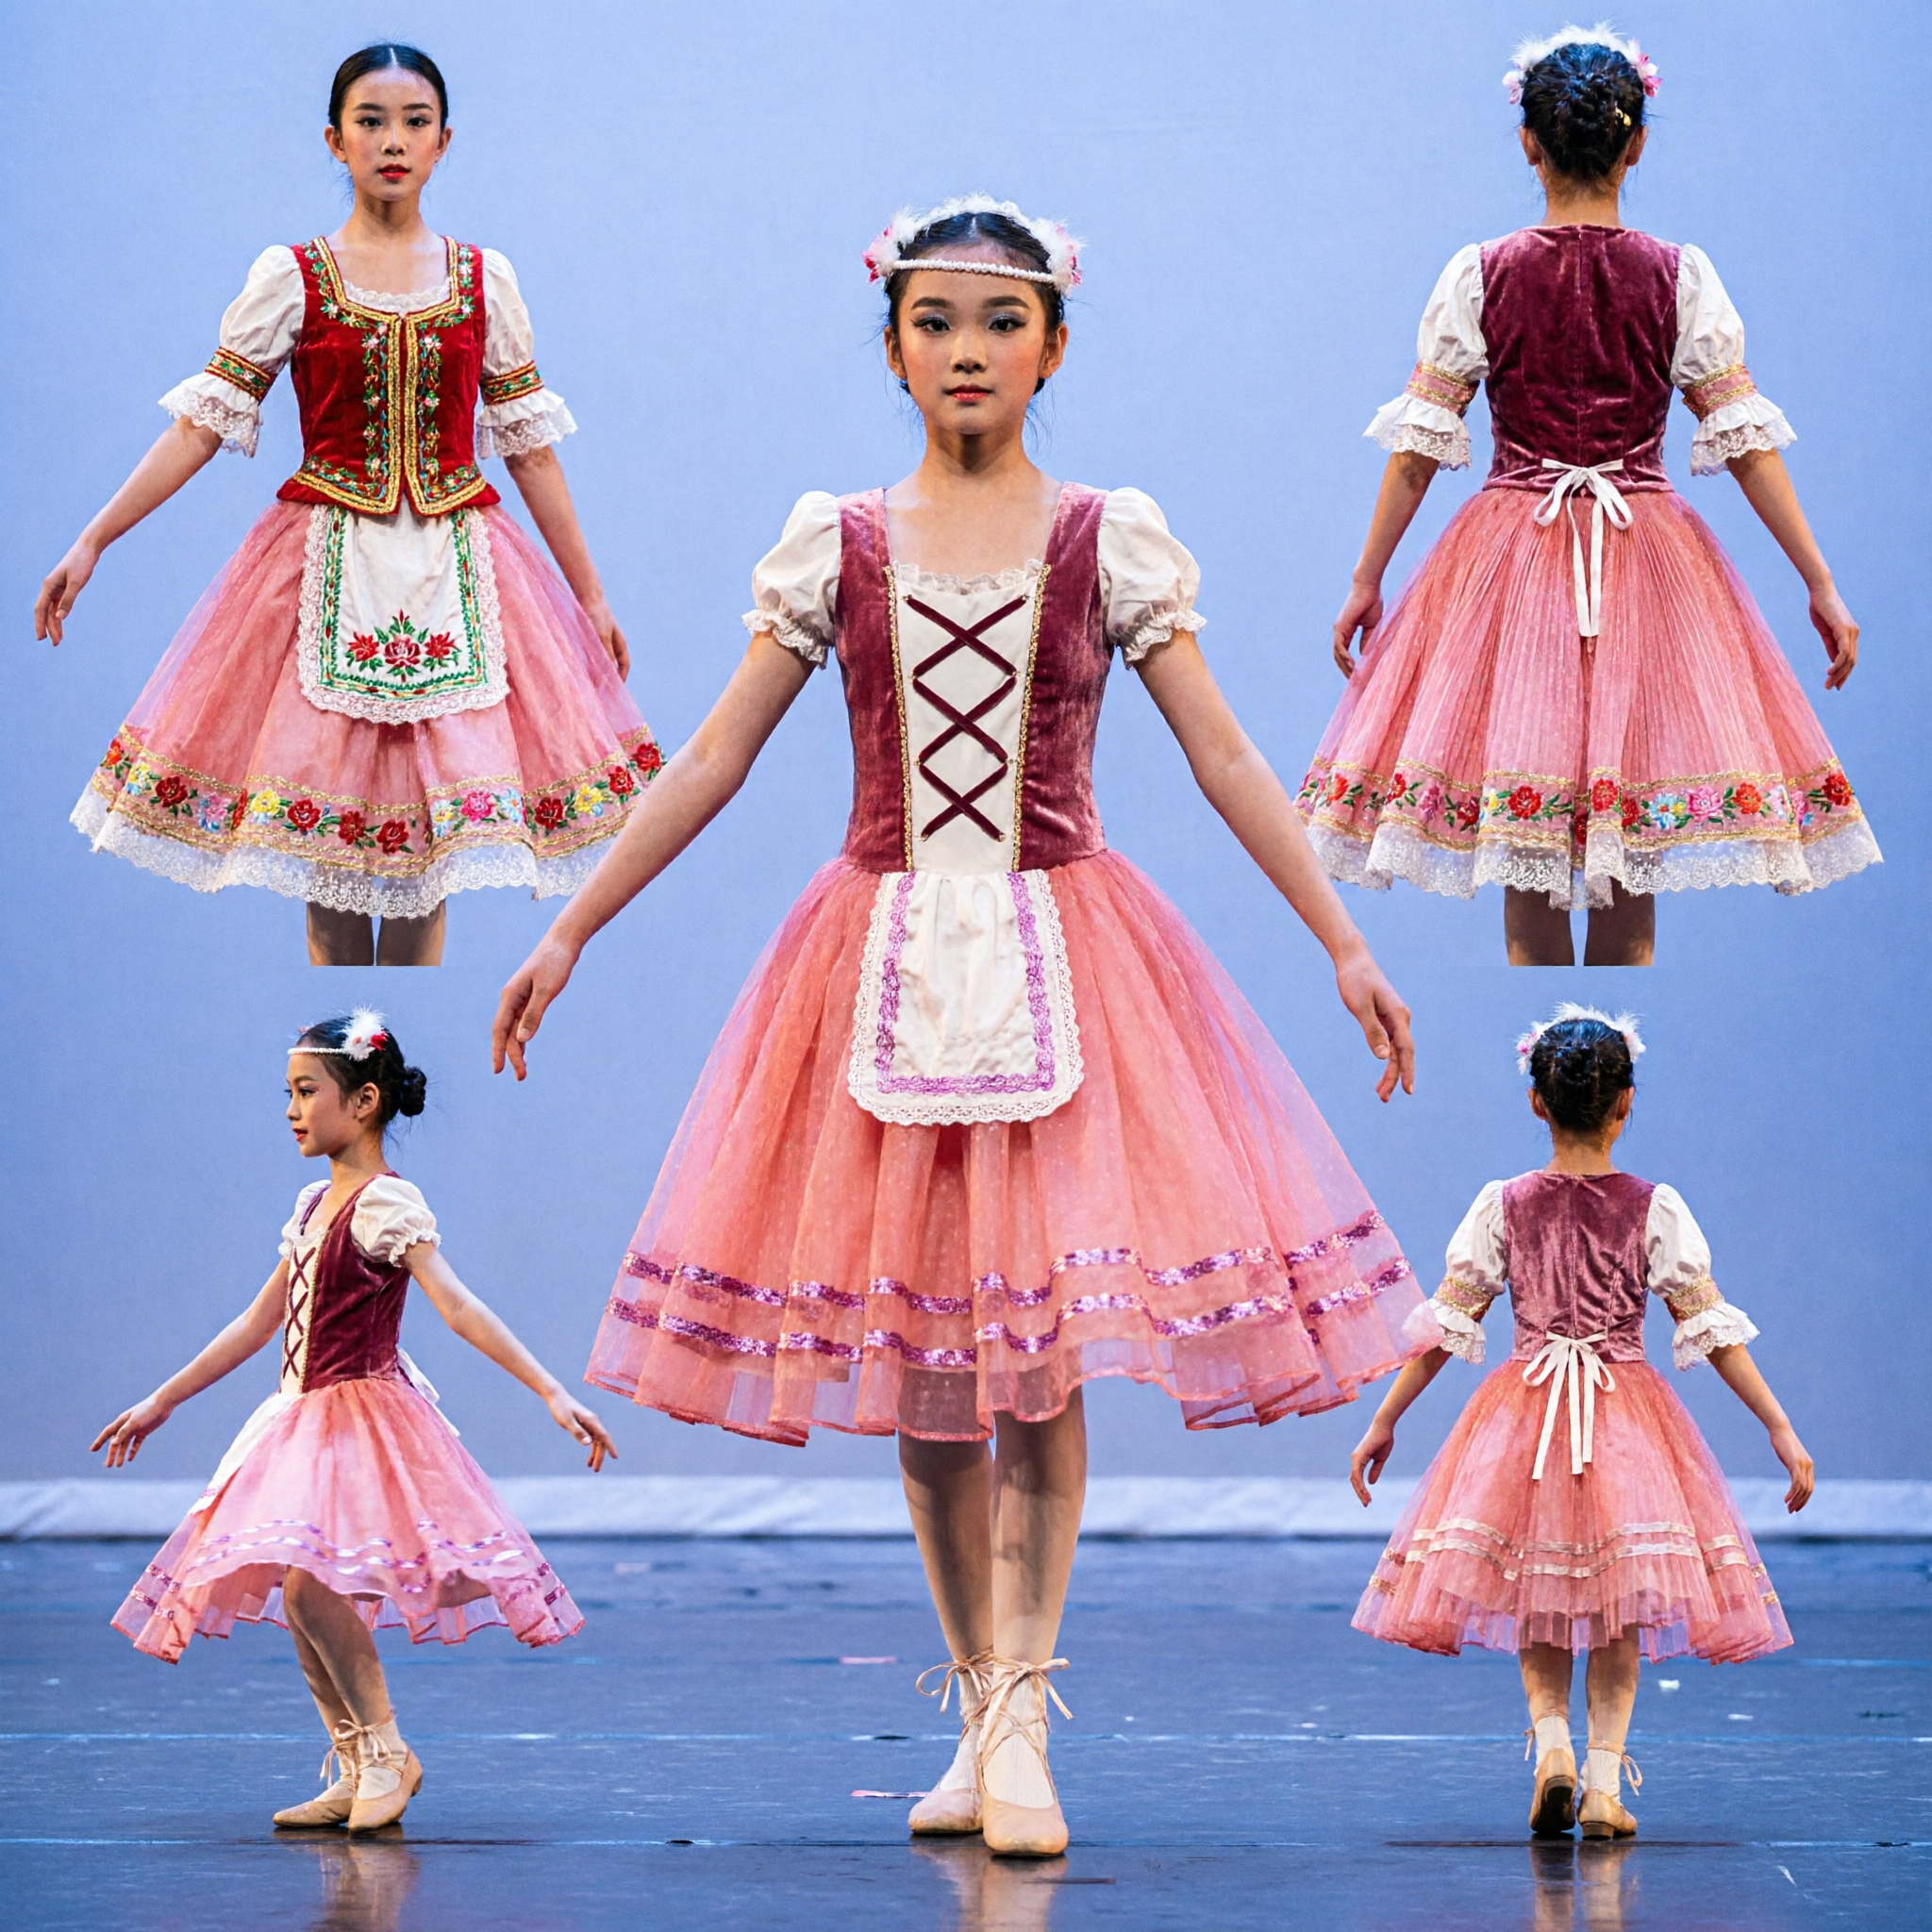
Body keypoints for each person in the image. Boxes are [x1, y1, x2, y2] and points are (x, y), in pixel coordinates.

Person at [491, 195, 1426, 1857]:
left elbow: (1221, 753)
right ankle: (978, 1698)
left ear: (1053, 346)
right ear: (892, 348)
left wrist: (1343, 939)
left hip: (1067, 961)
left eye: (1000, 323)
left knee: (1040, 1366)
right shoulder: (838, 543)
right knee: (928, 1373)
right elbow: (713, 755)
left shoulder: (1106, 539)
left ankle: (1022, 1718)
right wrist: (572, 923)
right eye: (934, 322)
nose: (967, 351)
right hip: (880, 967)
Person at [38, 42, 658, 965]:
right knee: (326, 867)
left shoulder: (483, 279)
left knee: (428, 870)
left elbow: (530, 449)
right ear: (336, 140)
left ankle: (405, 1025)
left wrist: (589, 595)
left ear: (444, 141)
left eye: (414, 122)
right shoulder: (295, 275)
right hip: (319, 573)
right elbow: (202, 426)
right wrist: (95, 537)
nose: (393, 141)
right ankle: (342, 1027)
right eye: (371, 121)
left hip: (460, 574)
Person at [1298, 25, 1877, 965]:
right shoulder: (1679, 275)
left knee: (1524, 856)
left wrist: (1366, 579)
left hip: (1513, 554)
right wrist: (1819, 581)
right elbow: (1746, 445)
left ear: (1528, 142)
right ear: (1634, 143)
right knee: (1628, 860)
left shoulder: (1480, 272)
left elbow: (1415, 451)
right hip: (1643, 551)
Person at [94, 1009, 615, 1832]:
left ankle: (388, 1751)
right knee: (298, 1588)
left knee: (311, 1585)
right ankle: (356, 1758)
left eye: (308, 1092)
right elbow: (257, 1322)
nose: (292, 1110)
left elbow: (458, 1305)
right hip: (299, 1422)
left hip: (361, 1422)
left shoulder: (385, 1204)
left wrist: (551, 1390)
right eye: (289, 1093)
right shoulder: (312, 1203)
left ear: (365, 1101)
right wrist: (163, 1399)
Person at [1348, 1006, 1812, 1839]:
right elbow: (1709, 1326)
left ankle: (1553, 1747)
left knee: (1541, 1586)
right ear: (1625, 1104)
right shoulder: (1653, 1207)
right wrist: (1779, 1426)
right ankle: (1601, 1782)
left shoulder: (1504, 1204)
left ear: (1538, 1102)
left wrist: (1384, 1421)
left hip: (1525, 1414)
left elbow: (1446, 1326)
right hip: (1624, 1416)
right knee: (1617, 1602)